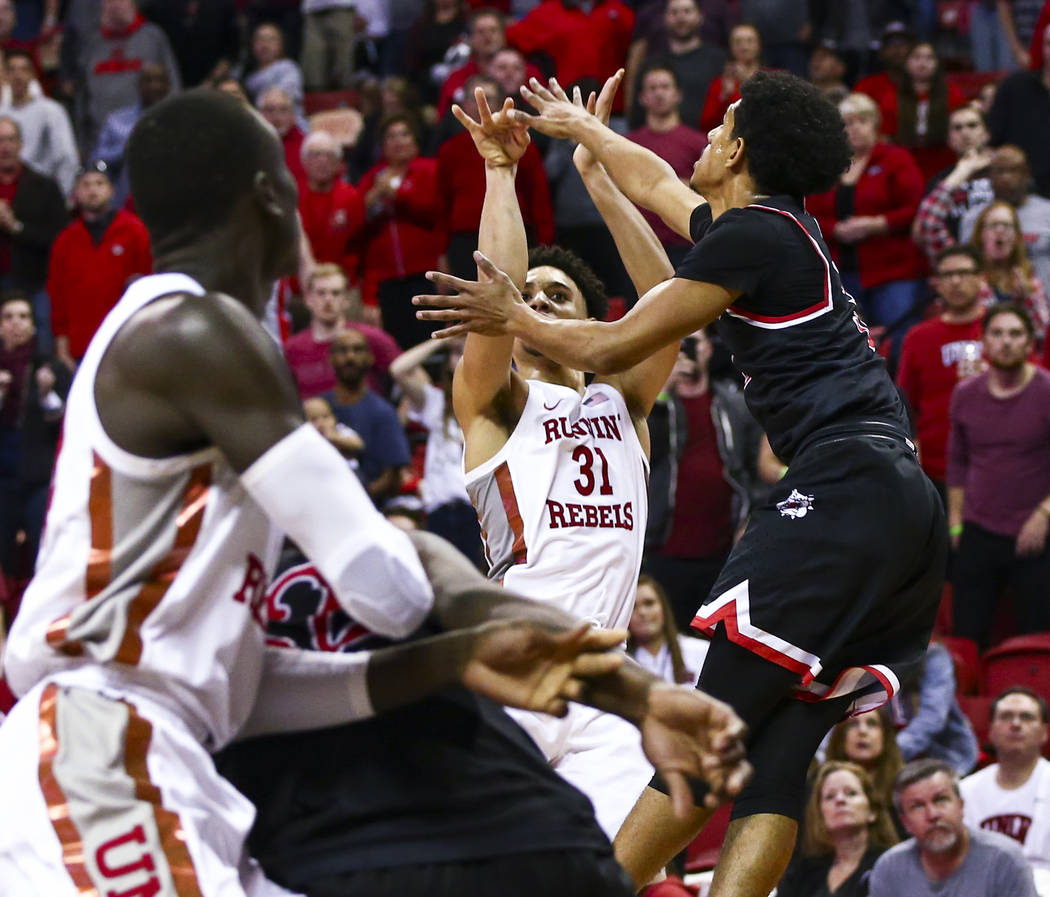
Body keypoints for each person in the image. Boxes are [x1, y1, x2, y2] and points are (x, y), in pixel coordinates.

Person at [0, 86, 750, 897]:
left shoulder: (617, 401)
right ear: (273, 198)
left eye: (554, 298)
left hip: (181, 745)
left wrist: (526, 669)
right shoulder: (201, 337)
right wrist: (480, 635)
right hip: (100, 746)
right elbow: (388, 582)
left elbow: (248, 680)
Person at [416, 70, 947, 897]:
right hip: (892, 497)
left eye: (716, 126)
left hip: (835, 487)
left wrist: (517, 312)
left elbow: (623, 329)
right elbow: (656, 185)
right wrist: (586, 146)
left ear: (737, 150)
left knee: (701, 737)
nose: (699, 138)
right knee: (771, 751)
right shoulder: (500, 401)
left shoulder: (641, 374)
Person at [436, 77, 681, 839]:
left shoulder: (626, 402)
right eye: (530, 295)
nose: (535, 303)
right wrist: (500, 173)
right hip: (515, 666)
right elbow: (497, 292)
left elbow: (666, 293)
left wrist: (599, 176)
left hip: (604, 686)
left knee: (602, 872)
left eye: (557, 297)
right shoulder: (496, 405)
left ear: (590, 323)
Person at [947, 303, 1050, 649]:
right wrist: (957, 521)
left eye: (1015, 334)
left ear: (1029, 344)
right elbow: (958, 462)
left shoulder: (1047, 392)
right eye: (997, 333)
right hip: (978, 530)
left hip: (1037, 532)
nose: (1006, 342)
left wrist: (1044, 514)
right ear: (984, 342)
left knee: (1034, 637)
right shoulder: (965, 395)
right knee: (966, 635)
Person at [644, 327, 759, 630]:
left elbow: (752, 471)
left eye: (692, 342)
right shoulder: (655, 405)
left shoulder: (735, 404)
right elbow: (645, 456)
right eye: (677, 343)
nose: (686, 350)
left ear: (709, 348)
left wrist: (750, 521)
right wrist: (663, 388)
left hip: (723, 556)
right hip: (662, 554)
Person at [807, 92, 927, 360]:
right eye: (847, 122)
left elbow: (915, 206)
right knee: (847, 342)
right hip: (839, 271)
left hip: (893, 271)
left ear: (875, 124)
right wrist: (835, 229)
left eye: (862, 121)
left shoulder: (895, 158)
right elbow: (808, 213)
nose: (854, 128)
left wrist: (879, 223)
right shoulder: (826, 166)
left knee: (899, 339)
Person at [436, 74, 553, 280]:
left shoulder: (520, 144)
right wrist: (441, 252)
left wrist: (545, 247)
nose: (479, 104)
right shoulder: (449, 150)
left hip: (513, 233)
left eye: (487, 98)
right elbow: (442, 206)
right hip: (464, 241)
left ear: (500, 104)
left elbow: (539, 199)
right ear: (463, 103)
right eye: (472, 98)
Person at [868, 759, 1038, 896]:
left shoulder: (1004, 860)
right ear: (905, 822)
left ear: (961, 806)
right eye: (918, 806)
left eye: (940, 799)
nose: (932, 814)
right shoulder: (889, 868)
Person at [896, 246, 987, 496]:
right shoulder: (918, 337)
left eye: (964, 273)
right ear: (937, 283)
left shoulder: (1005, 330)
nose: (956, 281)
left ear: (982, 278)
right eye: (947, 275)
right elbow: (904, 404)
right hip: (935, 469)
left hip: (999, 466)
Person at [389, 335, 485, 568]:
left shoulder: (491, 406)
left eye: (468, 350)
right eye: (456, 352)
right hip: (439, 512)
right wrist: (443, 341)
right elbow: (398, 368)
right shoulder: (437, 403)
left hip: (476, 514)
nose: (462, 357)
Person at [47, 161, 152, 370]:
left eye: (99, 183)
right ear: (76, 193)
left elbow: (148, 281)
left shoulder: (134, 231)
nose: (92, 190)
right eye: (85, 185)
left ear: (112, 190)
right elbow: (57, 295)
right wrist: (61, 343)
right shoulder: (66, 240)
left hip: (124, 341)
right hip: (81, 346)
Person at [358, 113, 444, 349]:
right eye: (391, 136)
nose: (398, 141)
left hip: (426, 276)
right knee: (397, 347)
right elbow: (362, 233)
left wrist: (398, 196)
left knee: (431, 344)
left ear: (415, 139)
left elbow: (433, 210)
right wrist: (371, 201)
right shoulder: (371, 179)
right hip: (387, 282)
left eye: (404, 134)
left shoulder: (430, 170)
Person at [0, 290, 69, 579]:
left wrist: (46, 395)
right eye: (9, 317)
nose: (17, 323)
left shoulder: (51, 367)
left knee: (44, 557)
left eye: (24, 316)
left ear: (34, 325)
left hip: (40, 478)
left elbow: (68, 425)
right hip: (3, 479)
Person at [64, 0, 180, 153]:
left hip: (149, 137)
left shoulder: (153, 37)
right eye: (108, 2)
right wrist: (83, 143)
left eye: (120, 1)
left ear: (133, 4)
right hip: (102, 143)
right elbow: (82, 97)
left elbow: (173, 85)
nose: (114, 6)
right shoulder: (92, 43)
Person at [777, 762, 898, 897]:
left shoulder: (892, 865)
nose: (840, 800)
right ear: (820, 815)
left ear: (872, 811)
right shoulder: (802, 873)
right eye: (830, 796)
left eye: (851, 793)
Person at [961, 687, 1050, 870]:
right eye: (1006, 716)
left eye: (1027, 717)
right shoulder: (965, 791)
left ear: (1044, 732)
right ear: (991, 731)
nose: (1016, 724)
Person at [627, 64, 708, 266]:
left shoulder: (698, 142)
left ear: (677, 94)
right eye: (652, 88)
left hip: (687, 242)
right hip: (640, 242)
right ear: (642, 97)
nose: (659, 93)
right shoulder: (628, 144)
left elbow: (712, 190)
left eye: (665, 87)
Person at [282, 263, 400, 399]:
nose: (328, 299)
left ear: (346, 300)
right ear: (308, 299)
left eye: (336, 293)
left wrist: (399, 416)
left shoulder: (371, 338)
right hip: (314, 417)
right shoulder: (292, 348)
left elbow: (411, 376)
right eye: (321, 293)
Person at [323, 328, 412, 504]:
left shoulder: (383, 412)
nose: (350, 357)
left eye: (357, 350)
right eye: (343, 350)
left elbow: (393, 477)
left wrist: (355, 501)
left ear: (370, 358)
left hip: (371, 508)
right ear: (331, 359)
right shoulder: (317, 409)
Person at [0, 115, 66, 354]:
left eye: (10, 139)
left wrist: (16, 227)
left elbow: (59, 239)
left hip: (35, 282)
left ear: (21, 144)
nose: (4, 147)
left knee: (41, 353)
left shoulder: (45, 186)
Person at [959, 145, 1050, 295]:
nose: (1006, 177)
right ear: (990, 176)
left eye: (1013, 170)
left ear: (1026, 173)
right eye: (1000, 171)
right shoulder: (974, 217)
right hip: (988, 303)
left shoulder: (1047, 213)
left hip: (1042, 303)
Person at [626, 0, 726, 130]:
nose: (681, 17)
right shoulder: (651, 64)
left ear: (700, 16)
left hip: (710, 140)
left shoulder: (719, 60)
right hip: (659, 143)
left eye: (687, 11)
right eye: (674, 12)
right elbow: (637, 114)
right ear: (664, 18)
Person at [912, 105, 995, 261]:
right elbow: (920, 231)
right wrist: (961, 173)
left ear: (987, 134)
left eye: (972, 125)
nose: (965, 132)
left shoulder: (1002, 171)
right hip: (958, 260)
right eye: (957, 128)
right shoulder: (940, 180)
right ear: (949, 139)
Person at [883, 42, 967, 183]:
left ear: (937, 63)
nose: (923, 63)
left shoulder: (953, 94)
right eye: (916, 57)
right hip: (905, 162)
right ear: (906, 63)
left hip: (944, 161)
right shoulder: (891, 97)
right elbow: (886, 140)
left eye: (929, 58)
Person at [91, 61, 172, 206]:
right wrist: (126, 149)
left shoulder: (181, 118)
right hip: (126, 201)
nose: (154, 86)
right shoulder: (117, 120)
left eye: (160, 80)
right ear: (139, 86)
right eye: (148, 80)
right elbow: (97, 160)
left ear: (168, 85)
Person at [891, 640, 978, 777]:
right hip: (892, 759)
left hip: (947, 756)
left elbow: (932, 717)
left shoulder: (934, 655)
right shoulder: (872, 656)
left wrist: (889, 752)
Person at [970, 200, 1049, 345]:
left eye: (1007, 226)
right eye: (993, 225)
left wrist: (1026, 300)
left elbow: (1042, 336)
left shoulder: (1029, 281)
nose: (1000, 230)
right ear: (981, 235)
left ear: (1017, 237)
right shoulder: (968, 277)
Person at [0, 49, 77, 198]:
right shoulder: (2, 114)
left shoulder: (51, 111)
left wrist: (61, 196)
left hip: (42, 192)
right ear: (5, 75)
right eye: (12, 70)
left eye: (24, 69)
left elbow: (67, 158)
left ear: (32, 74)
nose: (18, 76)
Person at [988, 22, 1050, 198]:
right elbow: (992, 142)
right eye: (1049, 43)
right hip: (1020, 193)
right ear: (1042, 48)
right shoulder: (1014, 88)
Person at [297, 130, 366, 276]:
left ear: (338, 163)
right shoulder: (293, 198)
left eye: (329, 155)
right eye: (315, 155)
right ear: (303, 161)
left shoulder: (352, 197)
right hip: (301, 287)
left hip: (343, 286)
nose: (322, 161)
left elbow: (361, 247)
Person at [825, 709, 905, 831]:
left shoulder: (904, 788)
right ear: (841, 737)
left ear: (885, 735)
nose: (862, 731)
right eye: (853, 724)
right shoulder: (820, 787)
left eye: (872, 723)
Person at [628, 573, 709, 685]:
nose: (642, 612)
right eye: (633, 607)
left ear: (664, 608)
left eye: (649, 603)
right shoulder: (621, 661)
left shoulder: (702, 651)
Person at [699, 23, 761, 132]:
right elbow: (707, 125)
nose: (744, 47)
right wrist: (724, 97)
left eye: (750, 41)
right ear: (730, 47)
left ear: (759, 45)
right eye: (738, 42)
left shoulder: (772, 77)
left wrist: (747, 80)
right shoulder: (719, 84)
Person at [244, 22, 303, 115]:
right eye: (260, 39)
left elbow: (281, 100)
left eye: (271, 39)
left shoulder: (288, 68)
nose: (265, 45)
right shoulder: (247, 77)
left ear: (281, 44)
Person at [300, 0, 357, 91]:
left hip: (342, 7)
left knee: (343, 60)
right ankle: (316, 98)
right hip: (312, 9)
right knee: (313, 59)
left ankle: (345, 98)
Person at [257, 85, 307, 186]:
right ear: (259, 114)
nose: (277, 117)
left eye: (283, 110)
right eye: (270, 110)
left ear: (293, 115)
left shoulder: (308, 147)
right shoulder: (251, 145)